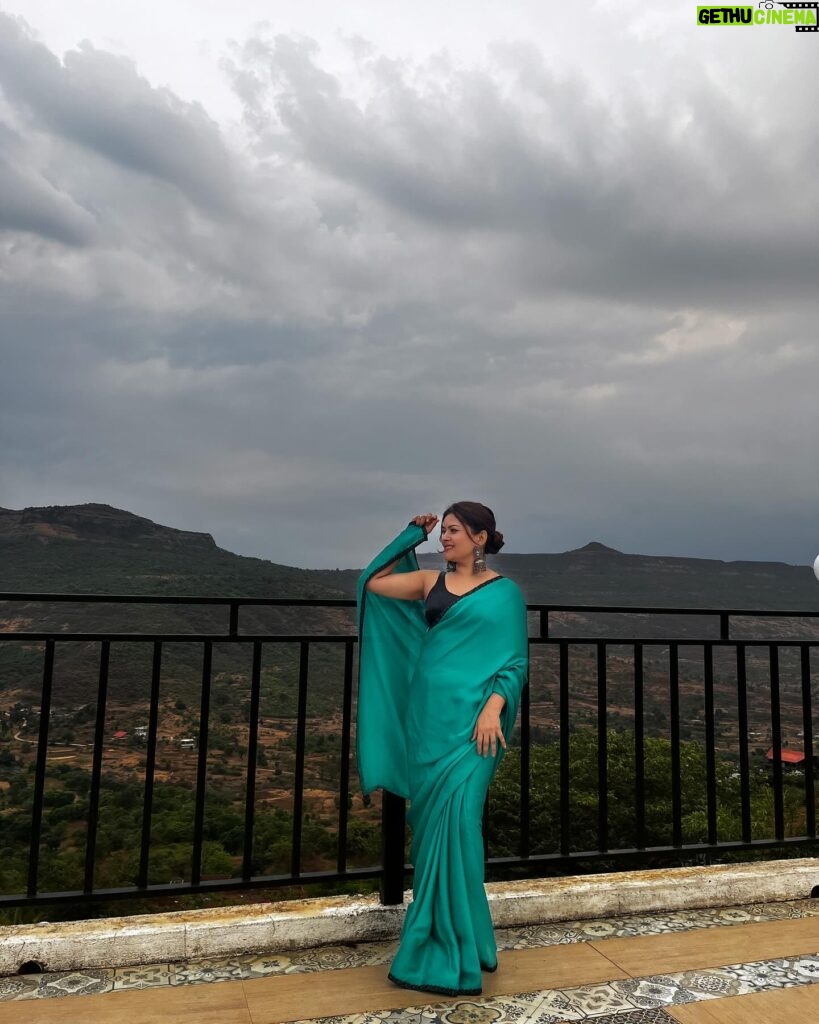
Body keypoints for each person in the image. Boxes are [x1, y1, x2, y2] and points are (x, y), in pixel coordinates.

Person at [356, 501, 530, 996]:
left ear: (480, 537)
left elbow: (515, 661)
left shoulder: (504, 594)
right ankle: (457, 939)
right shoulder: (429, 582)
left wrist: (495, 706)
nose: (445, 539)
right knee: (434, 830)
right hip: (427, 717)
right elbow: (373, 583)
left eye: (453, 531)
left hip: (477, 723)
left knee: (461, 824)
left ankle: (454, 941)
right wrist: (409, 537)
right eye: (443, 532)